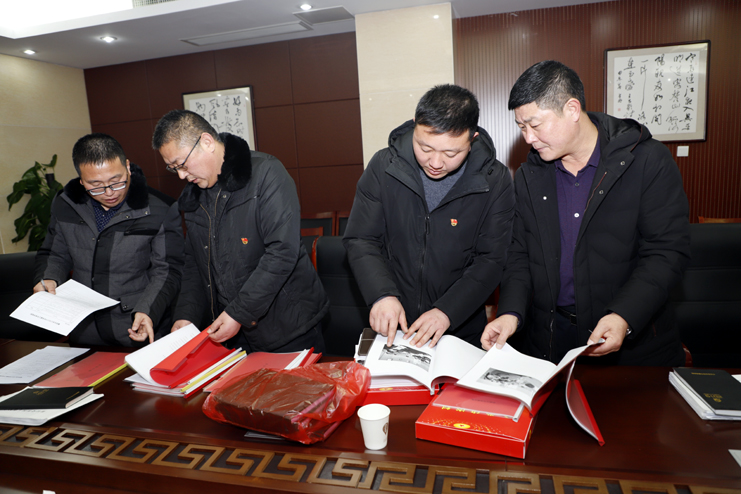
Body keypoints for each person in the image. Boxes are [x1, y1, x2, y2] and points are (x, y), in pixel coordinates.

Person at [482, 61, 690, 365]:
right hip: (550, 339)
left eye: (535, 125)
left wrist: (624, 315)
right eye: (522, 127)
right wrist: (510, 313)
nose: (528, 138)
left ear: (572, 109)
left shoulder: (645, 161)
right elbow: (519, 255)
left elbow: (667, 251)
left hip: (631, 343)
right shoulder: (530, 174)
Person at [343, 84, 515, 349]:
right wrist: (381, 294)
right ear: (415, 125)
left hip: (459, 326)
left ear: (472, 138)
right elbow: (361, 239)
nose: (435, 163)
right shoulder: (384, 166)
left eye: (451, 153)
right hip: (394, 322)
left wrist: (447, 311)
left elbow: (491, 259)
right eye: (425, 148)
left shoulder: (495, 180)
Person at [152, 110, 329, 353]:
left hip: (288, 326)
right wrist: (186, 316)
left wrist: (239, 312)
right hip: (232, 333)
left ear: (207, 142)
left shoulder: (266, 173)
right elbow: (195, 264)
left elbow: (282, 252)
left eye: (182, 164)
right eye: (174, 168)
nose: (181, 175)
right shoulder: (194, 196)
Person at [34, 133, 184, 346]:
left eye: (116, 181)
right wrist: (48, 278)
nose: (109, 193)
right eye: (95, 185)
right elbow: (55, 253)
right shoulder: (66, 204)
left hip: (135, 324)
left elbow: (167, 271)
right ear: (81, 180)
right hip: (84, 327)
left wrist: (148, 310)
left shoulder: (159, 209)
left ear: (128, 167)